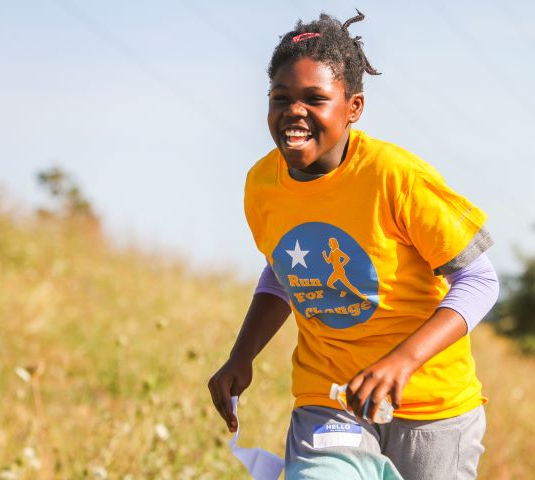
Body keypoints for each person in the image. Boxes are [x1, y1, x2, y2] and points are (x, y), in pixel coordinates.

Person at [208, 10, 499, 480]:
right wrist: (243, 354)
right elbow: (283, 271)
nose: (293, 112)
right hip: (329, 397)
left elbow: (479, 280)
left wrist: (401, 362)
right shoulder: (263, 185)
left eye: (315, 99)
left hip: (432, 407)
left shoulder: (396, 178)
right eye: (280, 98)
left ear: (353, 107)